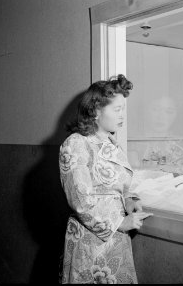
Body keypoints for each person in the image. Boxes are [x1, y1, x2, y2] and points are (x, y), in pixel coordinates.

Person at [58, 74, 152, 284]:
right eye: (117, 109)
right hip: (90, 241)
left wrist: (129, 201)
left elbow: (121, 186)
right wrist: (119, 223)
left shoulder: (111, 143)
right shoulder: (75, 144)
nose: (122, 116)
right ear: (95, 111)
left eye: (123, 109)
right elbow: (80, 201)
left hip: (118, 240)